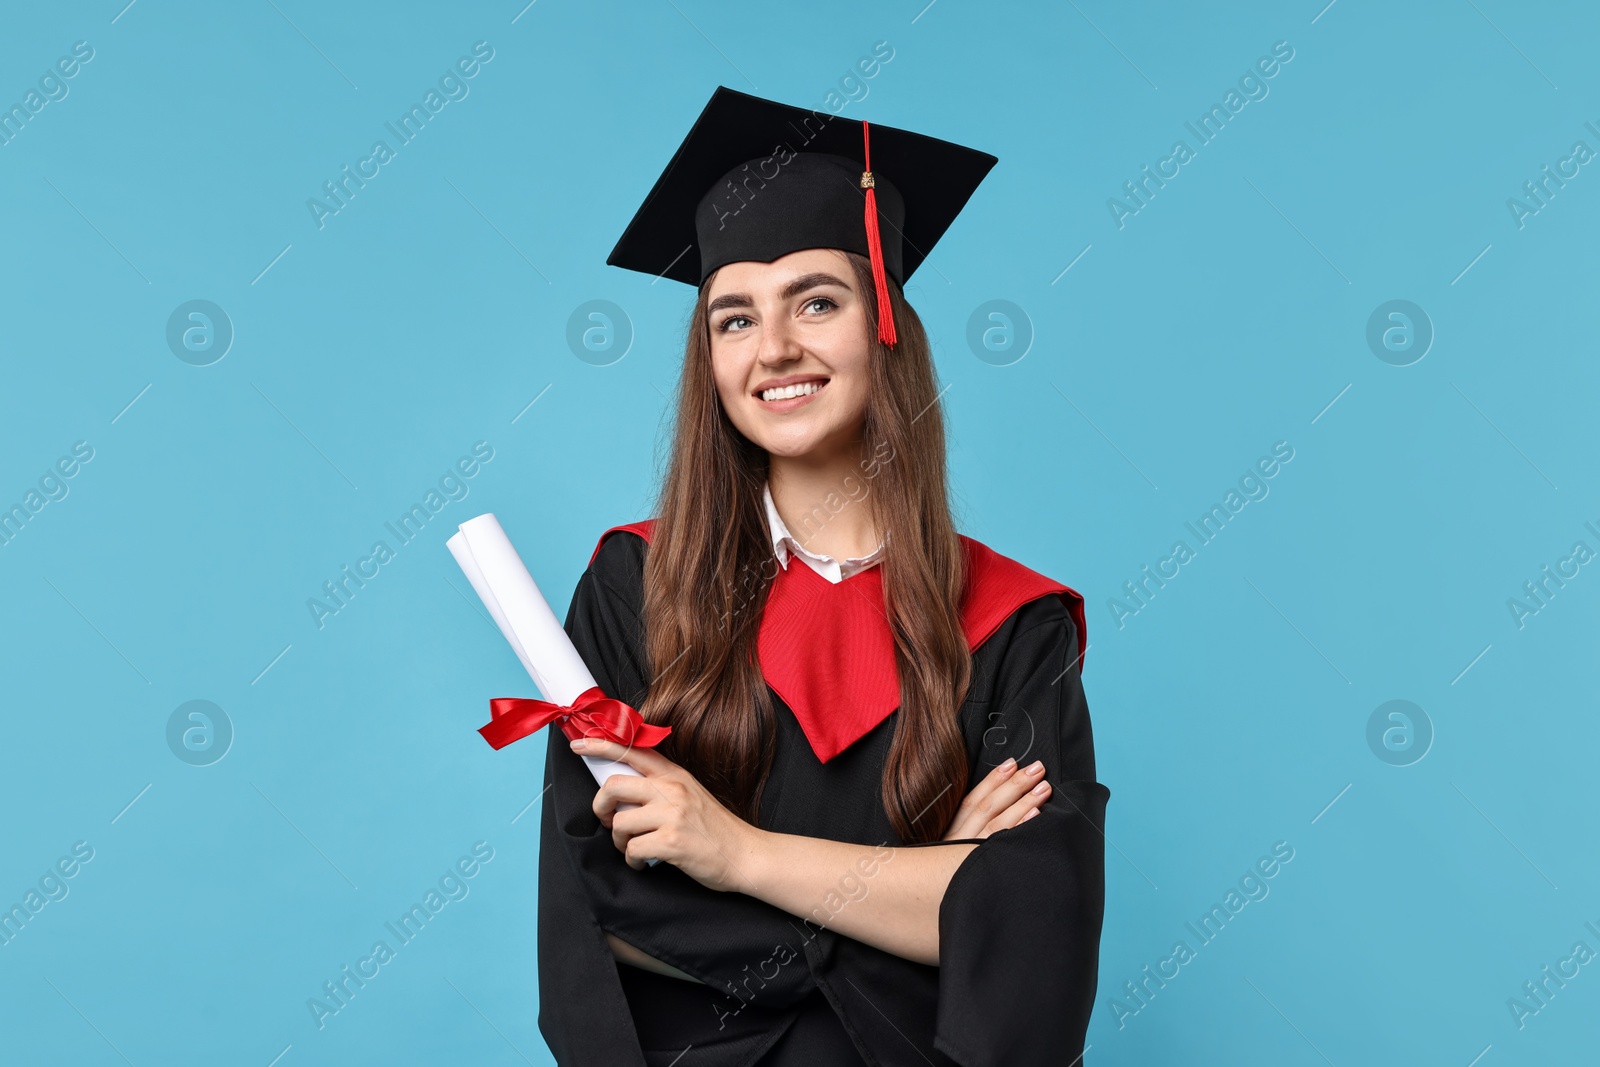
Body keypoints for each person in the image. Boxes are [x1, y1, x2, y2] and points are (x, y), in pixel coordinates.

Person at [533, 86, 1110, 1066]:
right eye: (733, 318)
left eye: (816, 300)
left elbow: (1035, 946)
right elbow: (608, 907)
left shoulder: (1017, 626)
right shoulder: (636, 585)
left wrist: (737, 852)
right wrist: (927, 894)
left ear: (885, 324)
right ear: (707, 358)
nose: (776, 349)